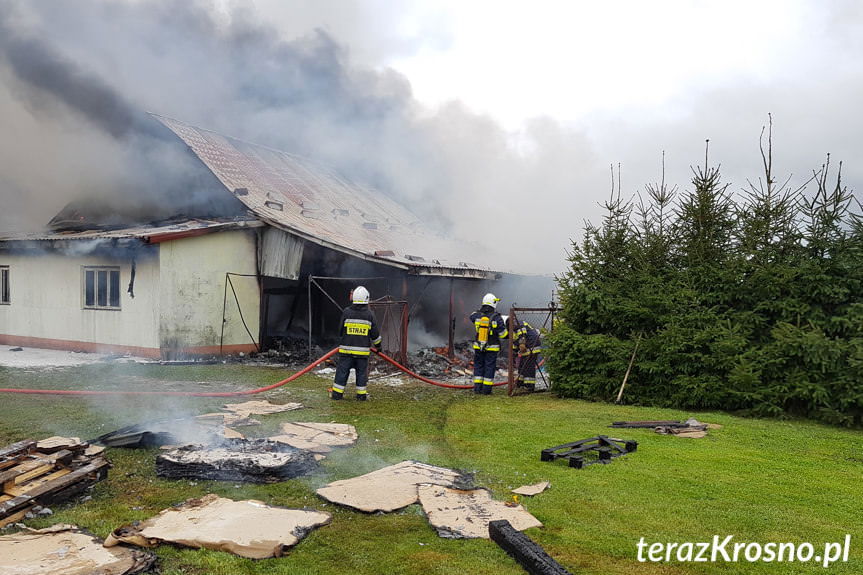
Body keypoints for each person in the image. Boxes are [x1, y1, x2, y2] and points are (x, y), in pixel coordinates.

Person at [332, 286, 382, 401]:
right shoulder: (370, 315)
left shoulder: (346, 312)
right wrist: (379, 346)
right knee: (361, 374)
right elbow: (375, 335)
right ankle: (361, 396)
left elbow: (340, 331)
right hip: (362, 353)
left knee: (342, 373)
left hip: (346, 351)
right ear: (366, 299)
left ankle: (337, 395)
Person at [469, 293, 508, 395]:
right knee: (489, 367)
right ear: (494, 303)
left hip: (479, 346)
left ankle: (477, 389)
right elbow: (503, 334)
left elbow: (471, 316)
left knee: (478, 366)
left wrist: (480, 311)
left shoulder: (477, 315)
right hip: (492, 347)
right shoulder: (497, 318)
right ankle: (486, 390)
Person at [512, 317, 542, 393]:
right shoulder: (515, 328)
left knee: (528, 367)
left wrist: (522, 343)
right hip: (528, 346)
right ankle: (520, 384)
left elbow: (522, 334)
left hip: (532, 346)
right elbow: (516, 343)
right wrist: (514, 354)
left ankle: (529, 387)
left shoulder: (517, 323)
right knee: (522, 366)